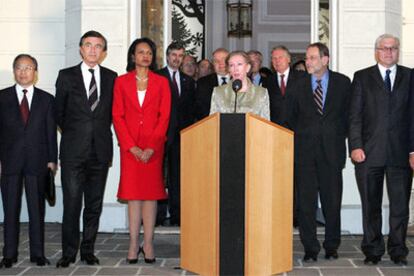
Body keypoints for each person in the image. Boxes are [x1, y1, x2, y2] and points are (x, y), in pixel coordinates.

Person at [55, 30, 117, 267]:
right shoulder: (66, 76)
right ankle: (68, 252)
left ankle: (88, 250)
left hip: (100, 151)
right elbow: (58, 113)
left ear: (104, 52)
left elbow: (113, 112)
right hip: (73, 151)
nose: (93, 50)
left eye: (98, 46)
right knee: (71, 203)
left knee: (94, 204)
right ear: (80, 49)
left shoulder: (112, 77)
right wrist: (76, 134)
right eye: (88, 45)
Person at [350, 34, 412, 266]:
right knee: (371, 206)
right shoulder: (362, 77)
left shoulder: (410, 76)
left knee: (400, 207)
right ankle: (373, 250)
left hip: (400, 154)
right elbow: (354, 116)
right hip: (368, 153)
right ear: (376, 51)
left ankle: (398, 250)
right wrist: (355, 146)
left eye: (393, 48)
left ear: (398, 51)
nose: (388, 52)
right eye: (384, 48)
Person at [287, 43, 350, 262]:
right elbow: (289, 117)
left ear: (325, 59)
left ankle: (332, 246)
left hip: (332, 153)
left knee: (332, 202)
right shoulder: (297, 84)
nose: (308, 62)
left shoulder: (343, 83)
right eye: (307, 58)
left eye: (313, 58)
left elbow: (348, 116)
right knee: (306, 204)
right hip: (304, 154)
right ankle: (310, 248)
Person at [113, 37, 171, 264]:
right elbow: (117, 115)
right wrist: (131, 146)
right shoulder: (121, 82)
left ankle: (148, 243)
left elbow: (164, 116)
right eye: (141, 52)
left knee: (150, 196)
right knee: (133, 196)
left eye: (149, 52)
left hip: (153, 148)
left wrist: (151, 146)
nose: (145, 56)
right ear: (132, 56)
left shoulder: (161, 82)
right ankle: (132, 243)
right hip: (130, 149)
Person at [0, 54, 57, 268]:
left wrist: (52, 160)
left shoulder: (46, 99)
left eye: (28, 67)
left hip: (38, 161)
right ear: (14, 71)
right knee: (10, 210)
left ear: (36, 72)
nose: (23, 72)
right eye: (19, 68)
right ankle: (9, 254)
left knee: (36, 209)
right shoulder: (2, 97)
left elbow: (51, 132)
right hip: (9, 162)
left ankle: (38, 253)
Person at [156, 42, 195, 226]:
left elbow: (190, 111)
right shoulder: (156, 77)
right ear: (167, 55)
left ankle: (177, 214)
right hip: (161, 135)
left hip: (181, 137)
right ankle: (158, 215)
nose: (177, 59)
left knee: (178, 177)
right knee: (158, 176)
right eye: (173, 55)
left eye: (180, 55)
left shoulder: (188, 81)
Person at [210, 50, 270, 120]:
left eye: (239, 64)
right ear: (229, 69)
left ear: (247, 67)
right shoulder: (218, 92)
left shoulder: (261, 93)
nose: (236, 69)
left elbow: (266, 124)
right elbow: (213, 123)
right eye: (231, 65)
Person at [263, 45, 306, 127]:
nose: (277, 61)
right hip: (276, 128)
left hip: (299, 128)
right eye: (274, 58)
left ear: (289, 59)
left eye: (280, 57)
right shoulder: (267, 81)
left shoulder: (302, 77)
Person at [194, 48, 230, 120]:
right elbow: (200, 109)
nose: (221, 63)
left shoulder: (239, 81)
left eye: (224, 59)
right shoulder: (202, 83)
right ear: (213, 64)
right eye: (216, 61)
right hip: (210, 125)